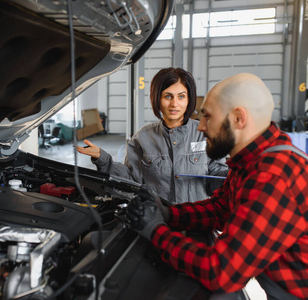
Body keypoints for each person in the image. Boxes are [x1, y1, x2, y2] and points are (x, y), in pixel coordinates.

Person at [126, 73, 308, 299]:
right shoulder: (251, 162)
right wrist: (168, 213)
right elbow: (221, 208)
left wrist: (154, 230)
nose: (200, 127)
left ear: (238, 119)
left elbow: (221, 271)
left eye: (207, 117)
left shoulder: (272, 175)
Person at [77, 67, 229, 205]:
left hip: (196, 220)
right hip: (157, 221)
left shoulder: (204, 133)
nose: (175, 104)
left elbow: (215, 178)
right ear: (157, 99)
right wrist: (102, 159)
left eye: (181, 97)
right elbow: (130, 180)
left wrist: (235, 172)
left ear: (189, 99)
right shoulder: (143, 138)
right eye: (168, 96)